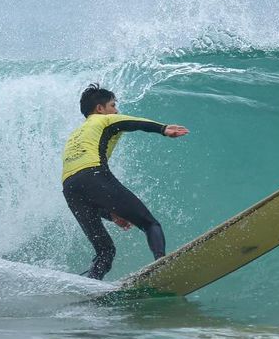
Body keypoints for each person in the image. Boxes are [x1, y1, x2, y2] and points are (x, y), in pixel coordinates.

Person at [61, 84, 188, 280]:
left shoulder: (75, 135)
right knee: (149, 224)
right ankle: (162, 264)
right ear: (100, 109)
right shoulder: (104, 121)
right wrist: (163, 129)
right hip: (93, 175)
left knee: (105, 251)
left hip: (69, 187)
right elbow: (133, 122)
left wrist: (111, 215)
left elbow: (85, 192)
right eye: (113, 105)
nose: (116, 110)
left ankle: (89, 286)